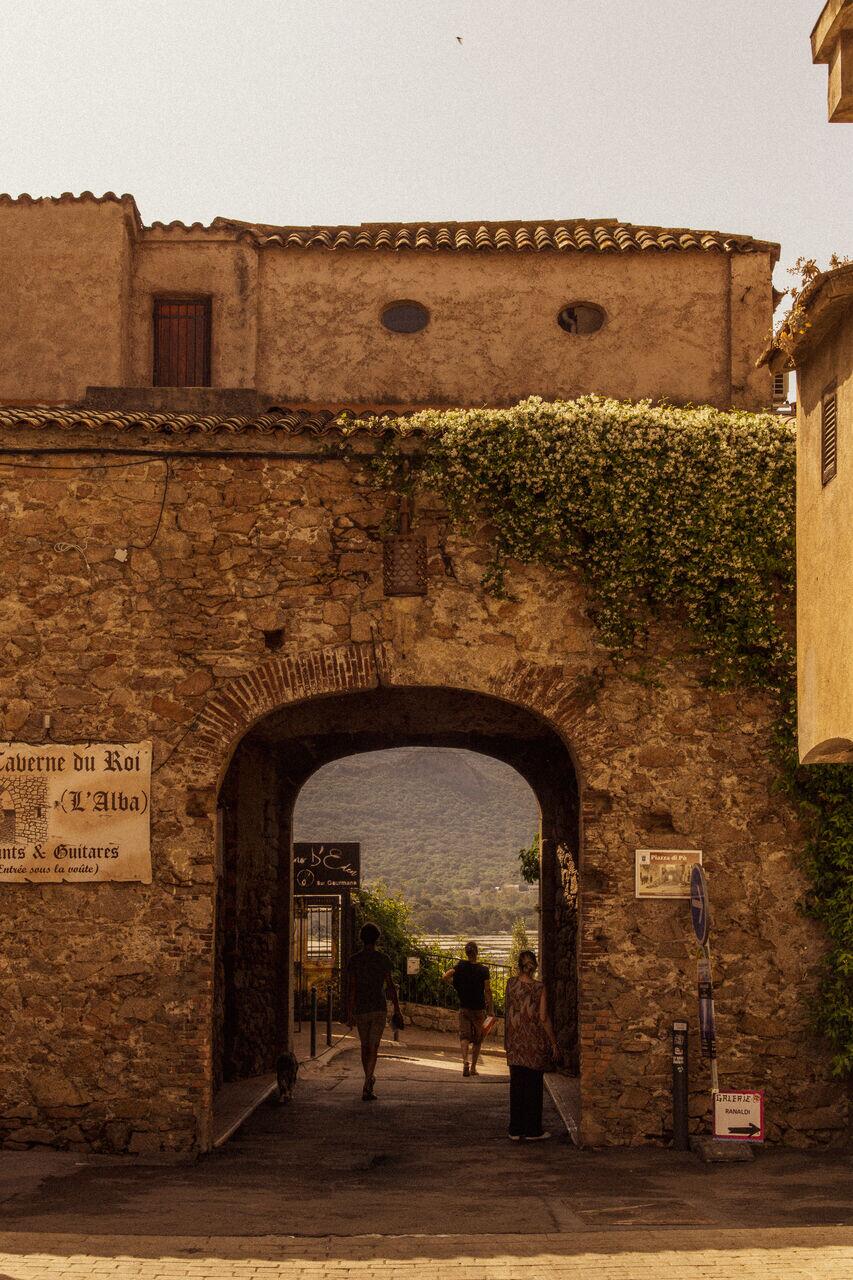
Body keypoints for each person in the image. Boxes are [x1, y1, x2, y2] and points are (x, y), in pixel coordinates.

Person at [504, 948, 559, 1140]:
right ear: (534, 965)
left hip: (515, 1042)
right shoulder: (539, 988)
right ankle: (532, 1130)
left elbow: (509, 1012)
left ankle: (515, 1129)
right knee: (533, 1086)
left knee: (517, 1086)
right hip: (534, 1044)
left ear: (519, 965)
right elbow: (543, 1018)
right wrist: (553, 1042)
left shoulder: (510, 984)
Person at [345, 922, 402, 1102]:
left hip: (361, 1008)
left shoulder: (354, 960)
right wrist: (397, 1008)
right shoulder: (383, 959)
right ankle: (369, 1080)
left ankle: (367, 1080)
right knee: (374, 1046)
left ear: (361, 938)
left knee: (364, 1046)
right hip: (378, 1008)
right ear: (377, 938)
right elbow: (390, 986)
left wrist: (349, 1012)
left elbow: (352, 988)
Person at [443, 941, 493, 1077]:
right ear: (477, 952)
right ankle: (473, 1068)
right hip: (479, 1009)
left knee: (464, 1036)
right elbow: (487, 990)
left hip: (464, 1007)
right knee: (478, 1039)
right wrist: (491, 1009)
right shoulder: (484, 970)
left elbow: (445, 976)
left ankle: (465, 1061)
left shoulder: (460, 966)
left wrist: (455, 986)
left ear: (466, 952)